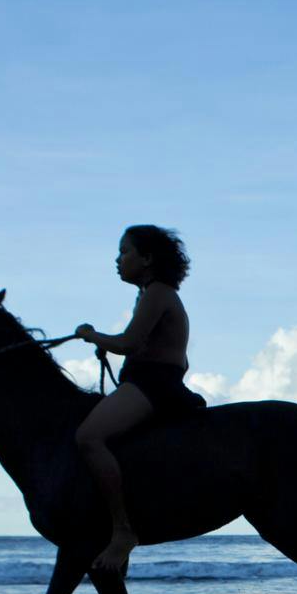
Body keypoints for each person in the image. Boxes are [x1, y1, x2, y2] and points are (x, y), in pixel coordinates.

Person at [73, 225, 206, 574]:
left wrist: (91, 335)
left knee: (89, 438)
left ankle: (122, 530)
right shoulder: (153, 294)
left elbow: (128, 343)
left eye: (124, 251)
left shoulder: (157, 293)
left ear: (147, 258)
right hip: (153, 381)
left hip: (152, 384)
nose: (117, 259)